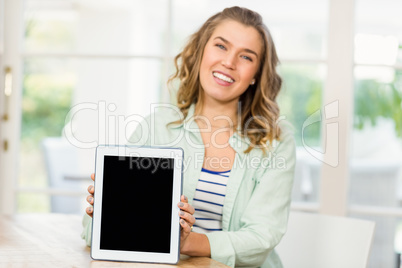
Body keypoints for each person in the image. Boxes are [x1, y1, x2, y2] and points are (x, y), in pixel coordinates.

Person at [81, 6, 295, 268]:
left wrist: (185, 242)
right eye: (221, 46)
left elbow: (261, 238)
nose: (229, 62)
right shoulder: (157, 128)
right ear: (200, 52)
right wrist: (103, 213)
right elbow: (95, 237)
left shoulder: (275, 143)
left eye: (247, 57)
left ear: (256, 75)